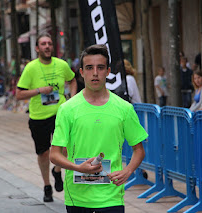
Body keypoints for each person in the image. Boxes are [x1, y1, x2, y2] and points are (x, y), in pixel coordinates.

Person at [49, 44, 147, 213]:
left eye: (100, 67)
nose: (95, 73)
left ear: (108, 71)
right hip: (78, 198)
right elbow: (54, 154)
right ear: (81, 72)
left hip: (112, 197)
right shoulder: (67, 109)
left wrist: (128, 171)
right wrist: (79, 168)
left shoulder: (124, 108)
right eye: (89, 68)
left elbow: (139, 150)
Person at [16, 32, 77, 202]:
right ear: (37, 48)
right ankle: (46, 185)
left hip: (60, 114)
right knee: (43, 153)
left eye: (49, 43)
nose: (47, 46)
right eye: (43, 44)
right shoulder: (31, 68)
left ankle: (57, 170)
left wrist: (71, 99)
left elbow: (72, 80)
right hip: (39, 117)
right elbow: (19, 94)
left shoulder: (61, 64)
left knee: (65, 148)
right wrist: (38, 91)